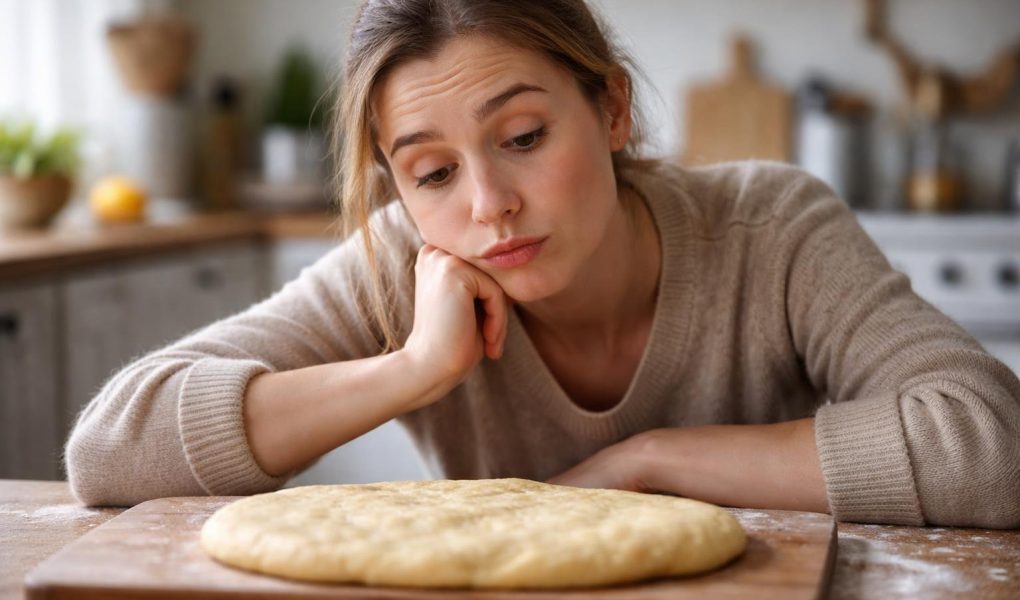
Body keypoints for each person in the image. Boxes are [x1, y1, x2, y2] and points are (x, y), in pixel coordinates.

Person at [66, 0, 1020, 529]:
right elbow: (109, 448)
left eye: (522, 136)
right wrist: (411, 370)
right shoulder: (409, 258)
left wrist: (650, 463)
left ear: (611, 111)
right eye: (433, 171)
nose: (486, 206)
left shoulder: (771, 228)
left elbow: (990, 444)